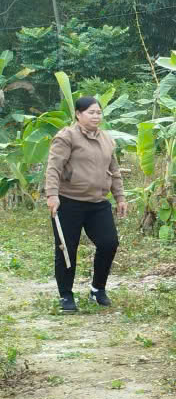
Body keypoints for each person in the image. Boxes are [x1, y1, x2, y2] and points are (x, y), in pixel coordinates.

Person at [44, 96, 126, 313]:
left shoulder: (107, 139)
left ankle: (97, 289)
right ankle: (66, 295)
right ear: (78, 115)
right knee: (66, 249)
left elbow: (114, 170)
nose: (96, 116)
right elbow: (54, 167)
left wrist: (120, 197)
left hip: (98, 203)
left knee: (109, 243)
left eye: (98, 112)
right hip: (69, 202)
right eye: (91, 112)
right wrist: (52, 195)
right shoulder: (66, 137)